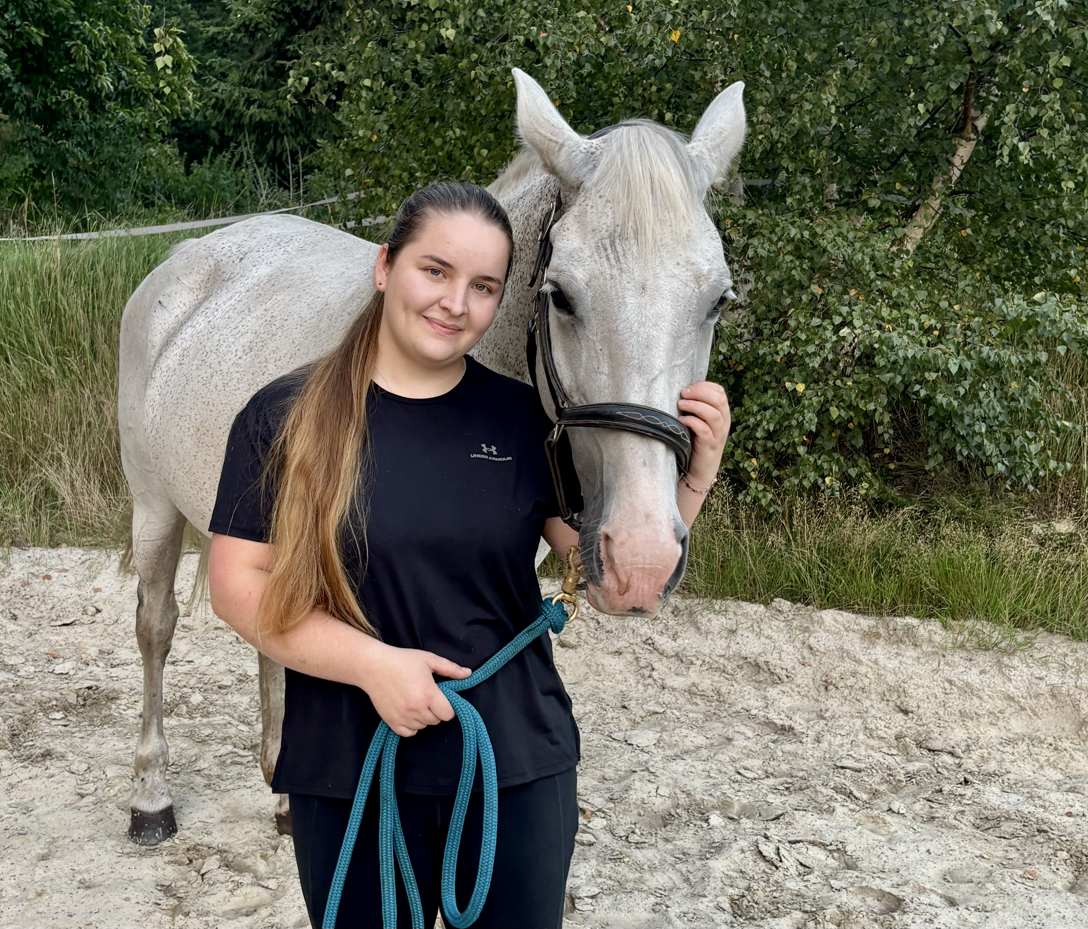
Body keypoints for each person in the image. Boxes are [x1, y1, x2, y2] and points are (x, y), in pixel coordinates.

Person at [207, 181, 731, 929]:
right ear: (385, 266)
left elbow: (606, 583)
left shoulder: (524, 420)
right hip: (350, 770)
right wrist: (374, 667)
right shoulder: (283, 416)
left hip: (513, 766)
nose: (456, 302)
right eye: (435, 270)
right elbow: (236, 585)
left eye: (484, 286)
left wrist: (695, 481)